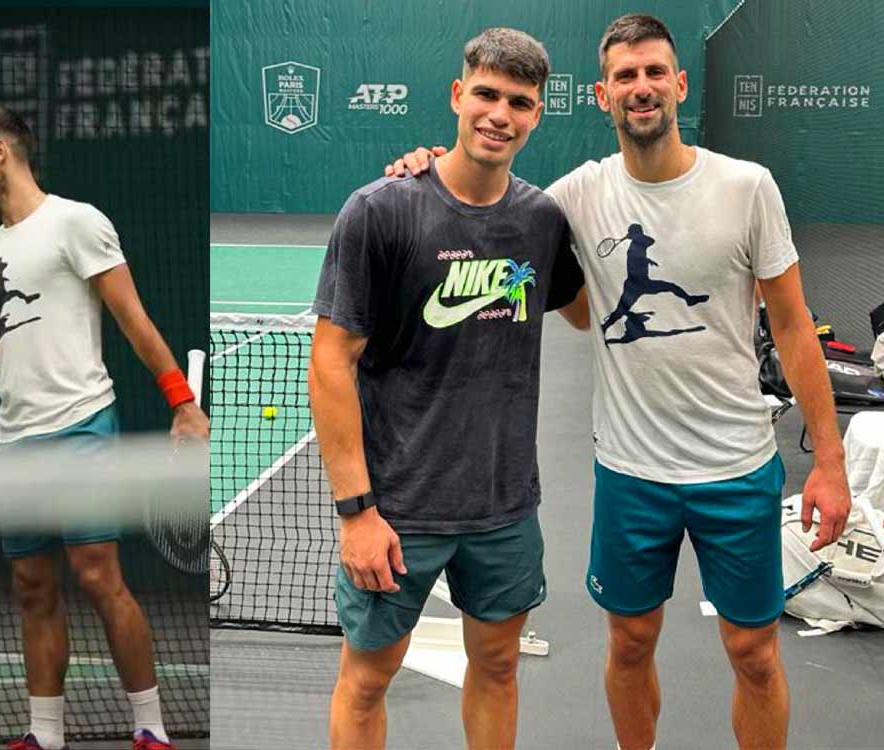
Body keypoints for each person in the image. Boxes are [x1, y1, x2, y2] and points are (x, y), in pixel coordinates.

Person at [385, 14, 851, 750]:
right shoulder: (571, 198)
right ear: (602, 95)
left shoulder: (747, 188)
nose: (642, 88)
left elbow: (793, 328)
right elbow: (481, 199)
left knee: (755, 654)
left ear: (679, 84)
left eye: (654, 72)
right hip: (631, 474)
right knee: (630, 645)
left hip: (738, 468)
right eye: (625, 77)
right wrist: (426, 168)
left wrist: (828, 462)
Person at [0, 107, 209, 750]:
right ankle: (45, 734)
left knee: (98, 574)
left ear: (2, 152)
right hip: (15, 441)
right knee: (32, 586)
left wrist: (182, 403)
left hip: (82, 423)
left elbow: (133, 319)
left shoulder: (76, 222)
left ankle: (152, 728)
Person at [309, 28, 587, 750]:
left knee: (497, 670)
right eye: (487, 95)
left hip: (503, 506)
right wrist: (356, 512)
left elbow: (586, 309)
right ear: (458, 96)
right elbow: (331, 361)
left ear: (538, 114)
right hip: (399, 509)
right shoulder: (381, 210)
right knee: (367, 681)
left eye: (519, 102)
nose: (500, 114)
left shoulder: (543, 222)